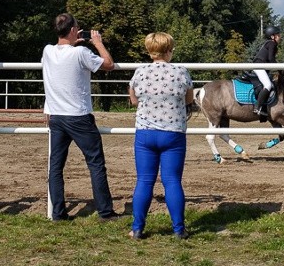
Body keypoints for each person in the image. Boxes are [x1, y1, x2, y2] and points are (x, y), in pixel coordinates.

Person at [41, 13, 121, 222]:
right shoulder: (82, 53)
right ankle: (105, 211)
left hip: (57, 117)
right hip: (78, 117)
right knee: (95, 163)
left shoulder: (47, 51)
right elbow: (109, 64)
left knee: (56, 167)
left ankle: (58, 213)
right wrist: (98, 43)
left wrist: (71, 41)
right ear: (73, 31)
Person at [127, 32, 194, 240]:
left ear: (150, 51)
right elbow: (189, 99)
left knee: (144, 180)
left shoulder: (140, 72)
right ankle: (178, 229)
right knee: (172, 180)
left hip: (146, 133)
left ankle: (137, 228)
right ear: (168, 50)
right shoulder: (181, 72)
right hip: (173, 133)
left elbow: (134, 100)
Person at [251, 25, 281, 121]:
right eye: (278, 35)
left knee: (271, 84)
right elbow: (271, 59)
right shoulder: (272, 44)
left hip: (261, 67)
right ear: (272, 36)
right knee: (267, 85)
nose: (280, 37)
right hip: (259, 66)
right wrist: (281, 69)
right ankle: (257, 107)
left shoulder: (269, 43)